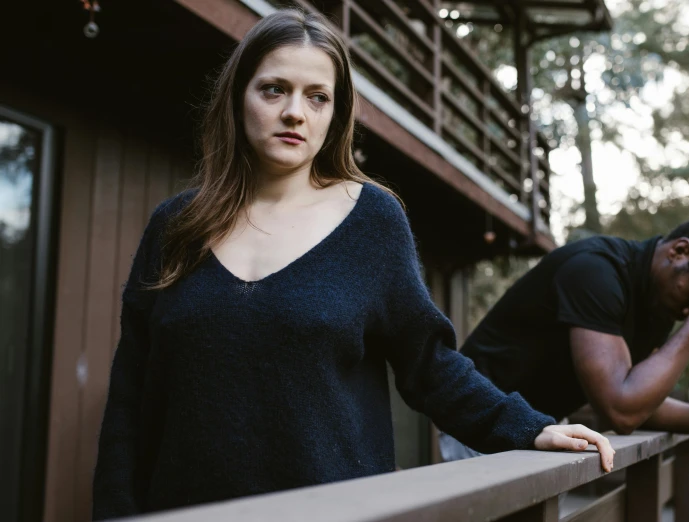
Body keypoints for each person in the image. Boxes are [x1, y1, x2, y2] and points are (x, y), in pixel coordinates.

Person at [92, 9, 614, 519]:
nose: (295, 112)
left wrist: (528, 427)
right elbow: (131, 392)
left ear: (335, 114)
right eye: (274, 89)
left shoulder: (371, 221)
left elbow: (428, 365)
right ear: (237, 97)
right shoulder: (176, 226)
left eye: (318, 97)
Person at [441, 215, 689, 461]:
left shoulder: (659, 303)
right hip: (485, 420)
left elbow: (639, 398)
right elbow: (621, 411)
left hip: (544, 428)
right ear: (679, 251)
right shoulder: (595, 270)